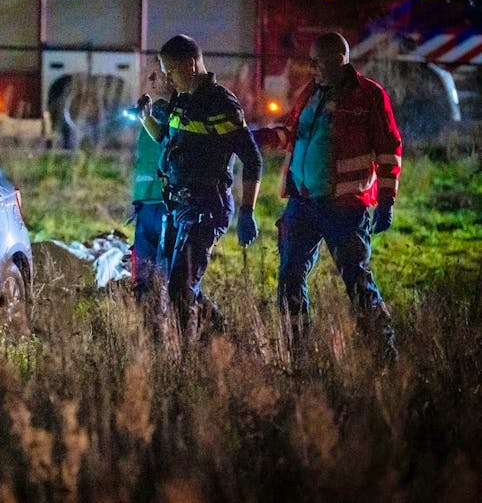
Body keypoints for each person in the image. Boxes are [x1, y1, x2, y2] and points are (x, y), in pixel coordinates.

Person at [275, 32, 402, 358]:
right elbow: (291, 131)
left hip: (344, 208)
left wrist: (386, 202)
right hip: (303, 203)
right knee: (290, 277)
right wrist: (259, 135)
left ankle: (383, 354)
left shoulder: (369, 96)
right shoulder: (310, 92)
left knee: (357, 281)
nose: (313, 67)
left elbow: (389, 150)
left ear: (337, 59)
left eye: (318, 61)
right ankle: (297, 353)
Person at [138, 34, 262, 339]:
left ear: (192, 64)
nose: (168, 78)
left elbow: (253, 159)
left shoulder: (221, 103)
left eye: (172, 70)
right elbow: (167, 138)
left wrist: (248, 211)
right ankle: (227, 341)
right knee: (181, 285)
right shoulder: (182, 99)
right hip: (180, 206)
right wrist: (145, 119)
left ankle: (192, 360)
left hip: (208, 206)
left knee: (180, 287)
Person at [130, 74, 170, 300]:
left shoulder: (165, 125)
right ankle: (152, 322)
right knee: (150, 273)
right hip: (148, 204)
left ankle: (161, 322)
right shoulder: (147, 123)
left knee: (162, 274)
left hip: (161, 205)